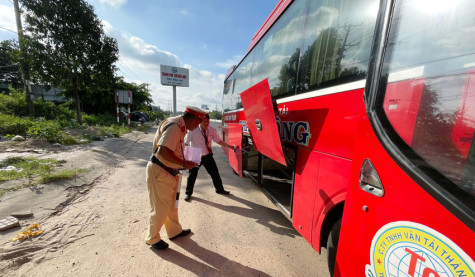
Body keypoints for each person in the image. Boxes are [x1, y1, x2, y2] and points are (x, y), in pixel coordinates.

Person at [145, 106, 207, 250]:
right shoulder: (174, 127)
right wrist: (184, 163)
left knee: (172, 205)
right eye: (198, 122)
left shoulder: (179, 125)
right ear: (192, 119)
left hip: (170, 172)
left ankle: (174, 231)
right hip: (161, 171)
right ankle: (152, 238)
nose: (197, 126)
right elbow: (163, 152)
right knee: (160, 207)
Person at [183, 113, 235, 201]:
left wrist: (229, 146)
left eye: (207, 121)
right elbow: (186, 143)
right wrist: (184, 157)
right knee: (192, 175)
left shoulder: (211, 129)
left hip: (207, 154)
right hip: (195, 155)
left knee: (214, 172)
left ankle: (219, 189)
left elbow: (218, 140)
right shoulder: (193, 130)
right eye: (204, 121)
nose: (206, 123)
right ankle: (188, 193)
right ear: (200, 122)